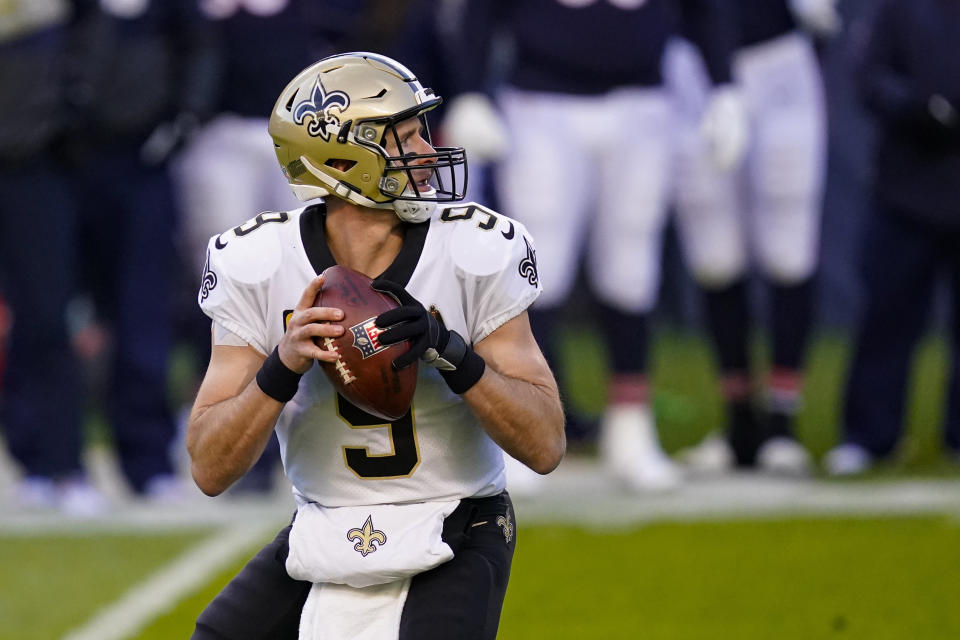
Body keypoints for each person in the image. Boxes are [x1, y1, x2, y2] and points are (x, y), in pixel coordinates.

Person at [187, 52, 565, 639]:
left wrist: (453, 354)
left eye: (421, 131)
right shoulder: (257, 262)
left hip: (459, 518)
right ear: (341, 156)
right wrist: (281, 367)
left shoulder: (473, 247)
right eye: (403, 136)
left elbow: (545, 444)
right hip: (325, 520)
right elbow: (209, 467)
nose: (425, 149)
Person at [443, 0, 744, 491]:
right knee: (537, 269)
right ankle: (517, 431)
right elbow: (480, 10)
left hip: (646, 104)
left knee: (631, 270)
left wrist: (724, 85)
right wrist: (470, 90)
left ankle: (631, 429)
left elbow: (706, 11)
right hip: (542, 106)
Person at [666, 0, 837, 474]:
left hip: (778, 60)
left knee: (789, 252)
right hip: (694, 69)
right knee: (715, 257)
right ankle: (740, 419)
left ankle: (783, 422)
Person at [65, 0, 220, 501]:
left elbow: (200, 50)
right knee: (56, 317)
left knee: (143, 316)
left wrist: (186, 116)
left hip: (144, 166)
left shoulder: (170, 12)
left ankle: (147, 458)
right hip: (65, 164)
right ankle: (55, 461)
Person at [825, 0, 960, 474]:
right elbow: (868, 74)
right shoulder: (900, 8)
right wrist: (918, 108)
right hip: (908, 186)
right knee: (886, 317)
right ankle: (870, 435)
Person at [0, 0, 105, 515]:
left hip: (35, 168)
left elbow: (92, 52)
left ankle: (60, 464)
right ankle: (33, 457)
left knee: (46, 318)